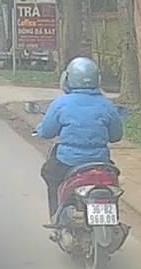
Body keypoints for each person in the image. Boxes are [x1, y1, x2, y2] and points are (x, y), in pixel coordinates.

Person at [36, 57, 124, 223]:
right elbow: (116, 136)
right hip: (100, 161)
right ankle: (112, 216)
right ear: (97, 79)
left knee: (50, 174)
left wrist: (40, 130)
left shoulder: (61, 104)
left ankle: (56, 217)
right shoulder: (107, 105)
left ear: (67, 78)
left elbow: (47, 132)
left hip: (68, 161)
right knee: (112, 182)